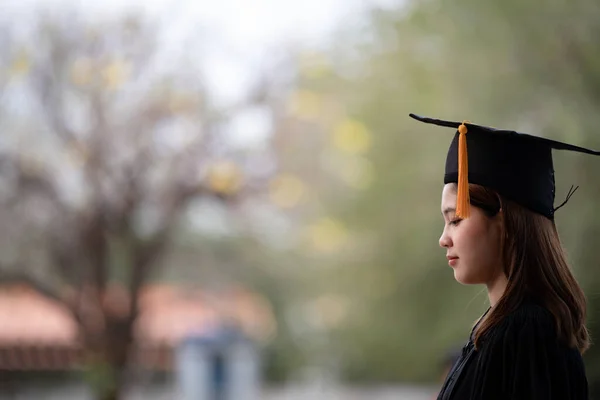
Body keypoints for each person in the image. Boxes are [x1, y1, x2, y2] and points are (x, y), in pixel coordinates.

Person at [409, 113, 600, 400]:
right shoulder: (501, 330)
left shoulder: (526, 333)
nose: (443, 238)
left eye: (456, 219)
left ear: (505, 221)